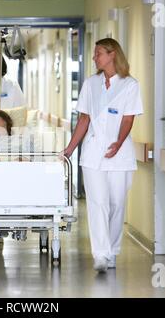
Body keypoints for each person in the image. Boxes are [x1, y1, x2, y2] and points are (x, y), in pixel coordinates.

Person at [62, 38, 143, 273]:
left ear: (112, 55)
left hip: (120, 154)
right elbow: (84, 119)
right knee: (97, 204)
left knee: (117, 204)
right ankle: (101, 254)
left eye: (98, 53)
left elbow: (128, 118)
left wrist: (118, 142)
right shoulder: (91, 83)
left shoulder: (130, 84)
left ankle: (113, 251)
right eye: (95, 53)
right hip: (93, 153)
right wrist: (70, 149)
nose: (94, 57)